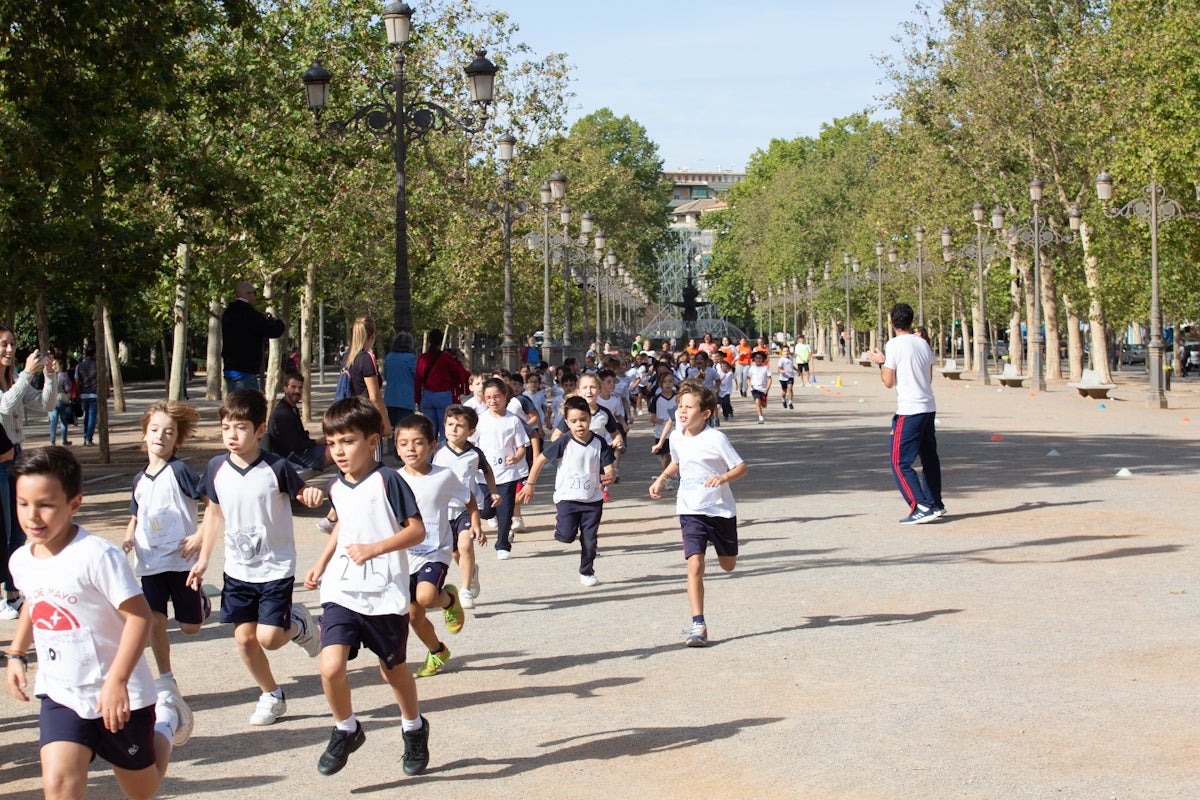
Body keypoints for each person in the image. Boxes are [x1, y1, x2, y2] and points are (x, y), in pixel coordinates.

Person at [5, 447, 193, 800]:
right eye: (23, 503)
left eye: (46, 504)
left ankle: (166, 722)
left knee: (142, 789)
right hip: (61, 692)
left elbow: (138, 616)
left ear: (74, 503)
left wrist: (117, 681)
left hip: (120, 694)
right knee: (59, 787)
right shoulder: (21, 560)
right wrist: (16, 653)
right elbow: (34, 599)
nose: (33, 516)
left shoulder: (96, 555)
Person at [301, 398, 430, 777]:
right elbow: (344, 526)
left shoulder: (389, 480)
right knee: (330, 666)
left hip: (385, 593)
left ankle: (413, 727)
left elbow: (416, 530)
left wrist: (375, 548)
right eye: (332, 442)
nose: (338, 451)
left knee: (393, 671)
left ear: (372, 441)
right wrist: (322, 562)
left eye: (348, 441)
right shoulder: (337, 486)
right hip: (342, 590)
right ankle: (346, 727)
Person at [187, 389, 325, 726]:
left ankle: (301, 624)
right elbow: (215, 515)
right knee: (244, 638)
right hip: (237, 570)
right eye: (226, 428)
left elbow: (302, 494)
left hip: (275, 568)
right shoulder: (216, 467)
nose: (232, 435)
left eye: (241, 428)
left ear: (260, 430)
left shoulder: (276, 467)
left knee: (269, 638)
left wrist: (310, 495)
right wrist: (204, 560)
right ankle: (271, 694)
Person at [648, 382, 747, 647]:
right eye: (680, 406)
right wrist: (661, 479)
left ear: (705, 413)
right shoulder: (677, 435)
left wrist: (723, 477)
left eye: (689, 407)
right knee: (694, 564)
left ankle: (720, 546)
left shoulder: (716, 438)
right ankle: (698, 625)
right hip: (690, 508)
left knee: (729, 565)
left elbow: (741, 467)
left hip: (720, 510)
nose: (682, 412)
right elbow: (677, 462)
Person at [123, 401, 209, 699]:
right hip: (150, 563)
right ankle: (165, 678)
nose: (160, 436)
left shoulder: (180, 471)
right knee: (153, 620)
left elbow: (210, 503)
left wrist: (200, 535)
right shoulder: (138, 480)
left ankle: (200, 603)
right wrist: (128, 539)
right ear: (144, 434)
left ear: (177, 440)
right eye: (155, 430)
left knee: (190, 628)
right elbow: (136, 515)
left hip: (182, 561)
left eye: (168, 432)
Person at [394, 414, 471, 678]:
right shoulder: (393, 479)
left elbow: (468, 498)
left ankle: (449, 600)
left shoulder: (443, 476)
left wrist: (476, 522)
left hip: (434, 551)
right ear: (396, 447)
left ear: (432, 445)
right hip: (404, 555)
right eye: (403, 444)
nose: (410, 449)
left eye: (417, 443)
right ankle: (437, 651)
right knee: (414, 616)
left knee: (426, 598)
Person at [518, 396, 616, 587]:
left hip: (592, 499)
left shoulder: (599, 442)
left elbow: (609, 467)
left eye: (583, 419)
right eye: (573, 421)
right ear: (566, 422)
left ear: (590, 419)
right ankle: (561, 526)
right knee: (566, 536)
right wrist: (530, 484)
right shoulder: (564, 442)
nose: (579, 425)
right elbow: (539, 460)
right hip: (567, 498)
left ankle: (587, 571)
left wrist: (609, 475)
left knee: (590, 538)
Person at [866, 302, 945, 524]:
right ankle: (935, 502)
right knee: (930, 459)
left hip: (909, 410)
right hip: (928, 407)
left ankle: (920, 505)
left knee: (899, 462)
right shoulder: (923, 344)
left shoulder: (894, 345)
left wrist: (882, 364)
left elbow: (888, 382)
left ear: (891, 321)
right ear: (911, 320)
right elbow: (928, 377)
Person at [0, 327, 59, 620]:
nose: (9, 350)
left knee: (18, 530)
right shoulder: (14, 382)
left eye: (12, 344)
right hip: (0, 463)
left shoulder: (13, 380)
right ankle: (5, 594)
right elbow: (5, 405)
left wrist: (49, 376)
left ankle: (12, 592)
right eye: (3, 345)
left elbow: (46, 404)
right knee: (5, 528)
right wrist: (26, 374)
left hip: (16, 459)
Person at [433, 405, 497, 609]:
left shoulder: (474, 454)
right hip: (442, 510)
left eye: (459, 426)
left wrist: (493, 491)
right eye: (450, 424)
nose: (453, 429)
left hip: (467, 508)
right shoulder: (436, 451)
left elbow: (487, 471)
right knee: (454, 553)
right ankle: (471, 571)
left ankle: (465, 589)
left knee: (465, 546)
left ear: (470, 431)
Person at [470, 378, 529, 560]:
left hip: (508, 474)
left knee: (505, 511)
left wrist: (517, 457)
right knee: (487, 511)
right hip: (484, 476)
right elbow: (471, 444)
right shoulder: (479, 420)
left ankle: (502, 543)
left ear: (505, 397)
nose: (493, 401)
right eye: (489, 397)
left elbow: (522, 446)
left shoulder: (514, 421)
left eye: (496, 396)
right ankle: (491, 517)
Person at [221, 281, 285, 393]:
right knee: (249, 407)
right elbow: (274, 331)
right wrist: (276, 320)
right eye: (254, 293)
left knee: (233, 407)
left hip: (229, 369)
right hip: (245, 371)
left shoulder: (228, 313)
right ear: (248, 294)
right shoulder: (251, 315)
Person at [269, 373, 335, 473]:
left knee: (338, 447)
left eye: (300, 387)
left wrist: (316, 442)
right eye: (293, 387)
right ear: (285, 388)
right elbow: (294, 446)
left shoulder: (291, 409)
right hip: (294, 459)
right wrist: (315, 442)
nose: (297, 391)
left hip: (300, 453)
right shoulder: (283, 413)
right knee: (340, 451)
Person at [415, 330, 469, 443]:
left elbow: (418, 380)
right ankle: (442, 456)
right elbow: (457, 376)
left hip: (427, 396)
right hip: (443, 396)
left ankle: (430, 457)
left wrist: (418, 400)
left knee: (429, 432)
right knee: (445, 431)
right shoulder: (447, 358)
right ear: (441, 342)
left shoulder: (423, 358)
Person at [344, 317, 390, 439]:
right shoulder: (366, 358)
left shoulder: (347, 358)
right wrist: (385, 422)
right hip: (367, 416)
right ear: (372, 335)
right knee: (372, 456)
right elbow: (374, 396)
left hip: (349, 414)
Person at [385, 332, 417, 427]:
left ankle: (392, 442)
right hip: (406, 398)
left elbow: (386, 376)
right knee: (405, 428)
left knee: (393, 427)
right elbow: (417, 376)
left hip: (391, 397)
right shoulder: (411, 359)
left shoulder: (389, 357)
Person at [74, 347, 100, 446]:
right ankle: (89, 438)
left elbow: (77, 381)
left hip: (83, 394)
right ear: (94, 353)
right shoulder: (98, 365)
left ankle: (85, 436)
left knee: (87, 417)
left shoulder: (79, 366)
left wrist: (77, 394)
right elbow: (105, 379)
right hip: (94, 393)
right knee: (92, 417)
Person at [48, 350, 75, 445]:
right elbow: (68, 389)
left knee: (53, 421)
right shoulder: (64, 376)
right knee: (63, 420)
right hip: (61, 400)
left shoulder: (50, 376)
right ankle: (64, 440)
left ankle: (52, 441)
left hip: (51, 400)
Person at [747, 350, 772, 424]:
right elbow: (748, 378)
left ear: (763, 359)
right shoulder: (752, 368)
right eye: (756, 358)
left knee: (764, 405)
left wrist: (767, 389)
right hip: (754, 389)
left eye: (760, 358)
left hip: (763, 389)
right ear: (754, 359)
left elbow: (770, 379)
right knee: (757, 402)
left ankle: (763, 404)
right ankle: (761, 418)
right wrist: (750, 386)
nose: (758, 359)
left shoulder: (765, 368)